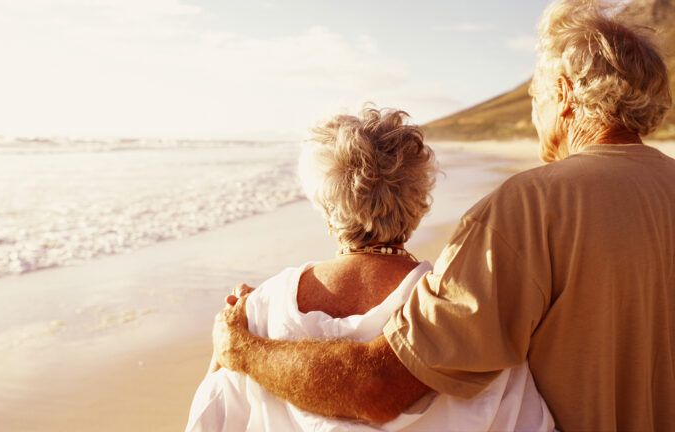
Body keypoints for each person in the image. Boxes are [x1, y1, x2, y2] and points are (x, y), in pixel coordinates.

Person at [211, 0, 675, 430]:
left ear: (563, 91)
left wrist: (244, 350)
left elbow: (381, 388)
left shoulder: (531, 207)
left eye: (535, 97)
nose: (536, 113)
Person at [187, 107, 554, 431]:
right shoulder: (460, 313)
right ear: (418, 202)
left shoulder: (255, 312)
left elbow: (210, 420)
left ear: (323, 203)